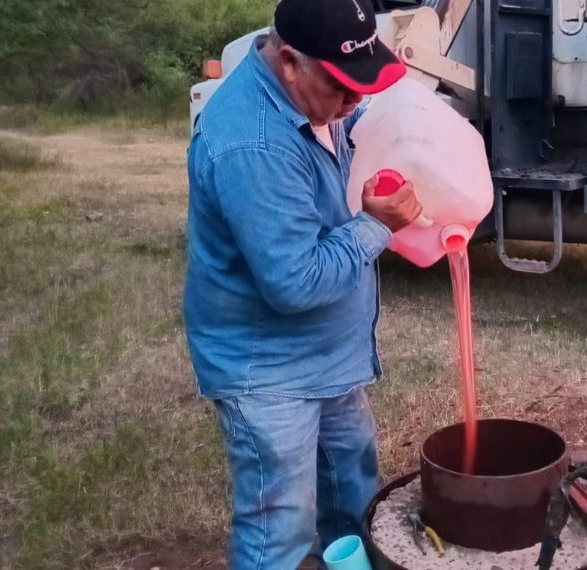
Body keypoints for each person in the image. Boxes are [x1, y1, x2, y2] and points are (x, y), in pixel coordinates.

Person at [183, 0, 423, 567]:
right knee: (280, 532)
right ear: (289, 62)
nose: (354, 100)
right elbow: (294, 282)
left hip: (327, 356)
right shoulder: (253, 142)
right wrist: (375, 228)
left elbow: (354, 117)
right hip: (268, 370)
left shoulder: (312, 99)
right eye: (342, 87)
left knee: (355, 505)